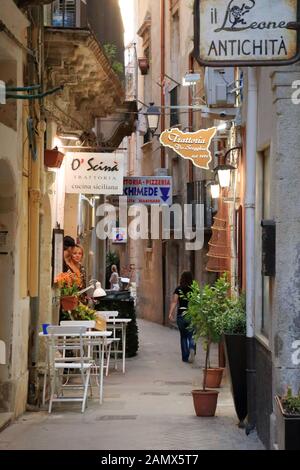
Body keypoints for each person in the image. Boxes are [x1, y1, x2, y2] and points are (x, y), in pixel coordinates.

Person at [168, 271, 196, 363]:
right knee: (191, 335)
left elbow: (174, 302)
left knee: (183, 336)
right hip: (191, 314)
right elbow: (197, 302)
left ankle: (185, 357)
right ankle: (192, 347)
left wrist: (170, 313)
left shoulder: (178, 289)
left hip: (181, 315)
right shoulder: (194, 289)